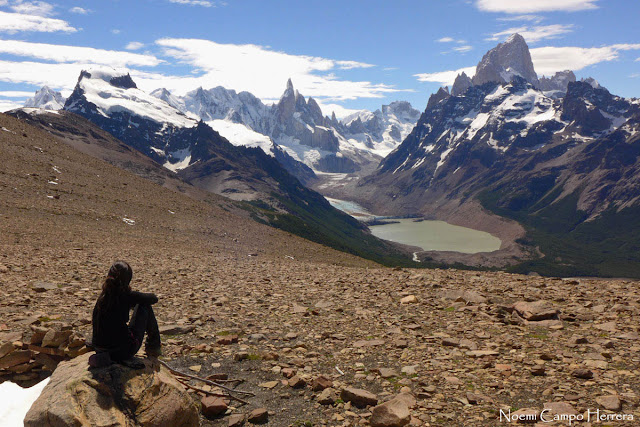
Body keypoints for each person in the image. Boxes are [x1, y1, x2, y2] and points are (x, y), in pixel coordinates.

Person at [89, 261, 161, 368]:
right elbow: (153, 298)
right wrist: (136, 298)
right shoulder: (126, 295)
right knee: (145, 306)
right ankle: (153, 348)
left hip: (100, 348)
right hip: (122, 351)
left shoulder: (103, 297)